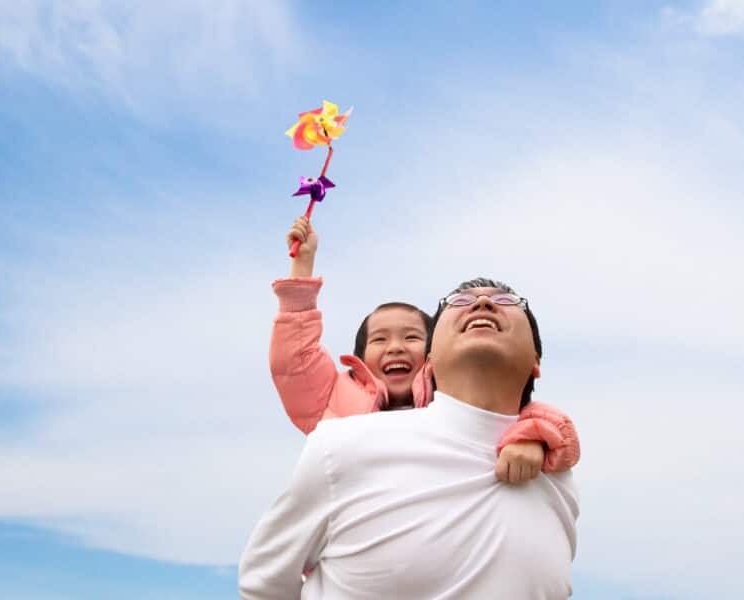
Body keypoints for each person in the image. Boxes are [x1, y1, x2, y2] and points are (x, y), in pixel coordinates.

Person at [240, 278, 580, 599]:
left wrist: (537, 435)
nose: (482, 303)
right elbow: (264, 585)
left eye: (507, 301)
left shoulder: (556, 475)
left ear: (536, 360)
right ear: (431, 362)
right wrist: (299, 279)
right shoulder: (340, 442)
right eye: (458, 302)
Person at [271, 217, 578, 481]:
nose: (395, 347)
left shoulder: (448, 397)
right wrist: (302, 265)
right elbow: (295, 359)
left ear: (433, 354)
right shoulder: (332, 400)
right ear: (359, 360)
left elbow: (533, 416)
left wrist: (529, 439)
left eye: (411, 338)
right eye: (379, 339)